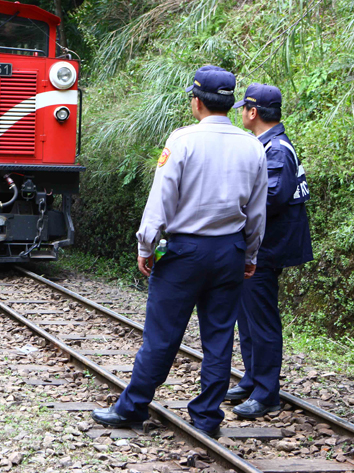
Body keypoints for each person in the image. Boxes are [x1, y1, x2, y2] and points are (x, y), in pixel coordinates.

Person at [91, 65, 268, 436]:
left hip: (185, 252)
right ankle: (207, 418)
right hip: (230, 251)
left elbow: (162, 199)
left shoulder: (183, 140)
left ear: (198, 102)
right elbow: (257, 211)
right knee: (219, 339)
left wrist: (146, 245)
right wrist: (249, 256)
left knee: (162, 336)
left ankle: (133, 408)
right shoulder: (252, 145)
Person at [227, 83, 312, 418]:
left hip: (267, 247)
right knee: (247, 317)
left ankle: (266, 394)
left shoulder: (275, 149)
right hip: (260, 246)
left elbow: (271, 198)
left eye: (243, 110)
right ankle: (252, 379)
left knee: (261, 320)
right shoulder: (269, 145)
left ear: (253, 112)